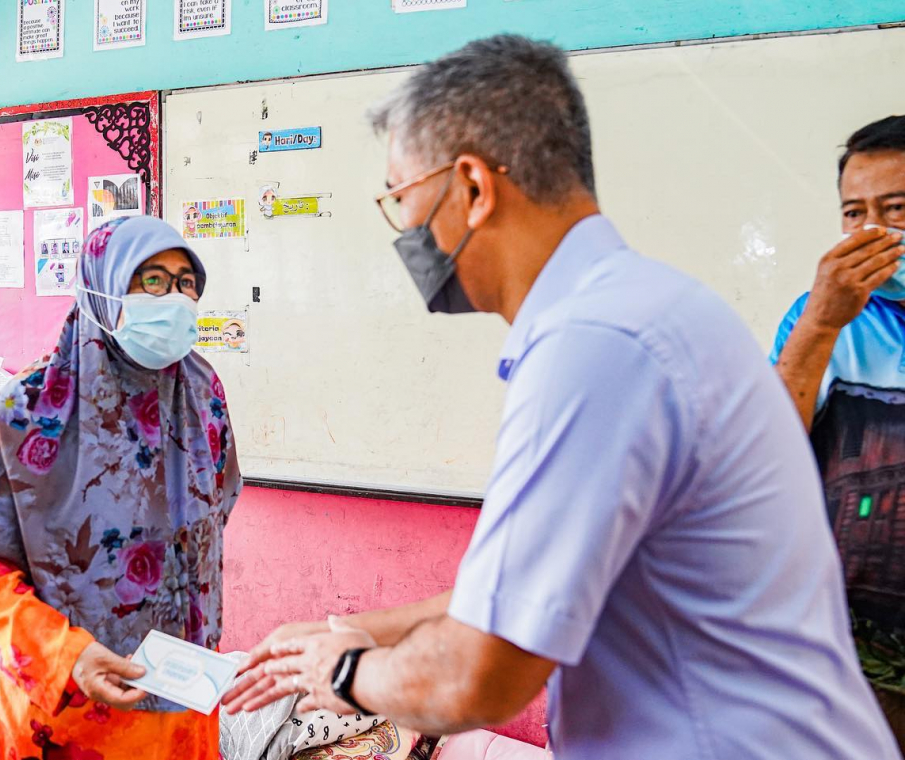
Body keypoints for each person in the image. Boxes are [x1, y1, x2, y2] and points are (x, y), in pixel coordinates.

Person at [221, 35, 899, 759]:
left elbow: (480, 675)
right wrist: (347, 634)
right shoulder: (644, 310)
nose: (407, 233)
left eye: (403, 199)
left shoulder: (594, 348)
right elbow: (516, 592)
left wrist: (348, 672)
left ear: (475, 188)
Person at [0, 216, 241, 760]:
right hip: (62, 711)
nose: (174, 298)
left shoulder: (202, 391)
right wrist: (66, 654)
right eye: (152, 280)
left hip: (180, 697)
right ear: (102, 285)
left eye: (186, 282)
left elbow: (216, 512)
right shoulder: (21, 414)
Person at [770, 115, 905, 742]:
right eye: (854, 213)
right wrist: (822, 324)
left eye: (896, 207)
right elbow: (760, 457)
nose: (872, 230)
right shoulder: (818, 318)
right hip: (850, 660)